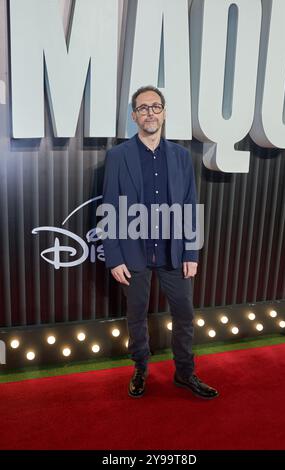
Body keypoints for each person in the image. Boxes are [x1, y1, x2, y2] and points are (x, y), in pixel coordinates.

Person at [101, 85, 218, 400]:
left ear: (164, 112)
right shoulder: (118, 156)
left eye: (155, 106)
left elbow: (191, 206)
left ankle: (185, 373)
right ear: (134, 116)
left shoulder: (181, 157)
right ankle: (140, 369)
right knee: (136, 316)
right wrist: (113, 257)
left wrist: (191, 249)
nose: (149, 112)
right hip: (133, 253)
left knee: (184, 315)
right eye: (142, 108)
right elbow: (109, 207)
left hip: (174, 252)